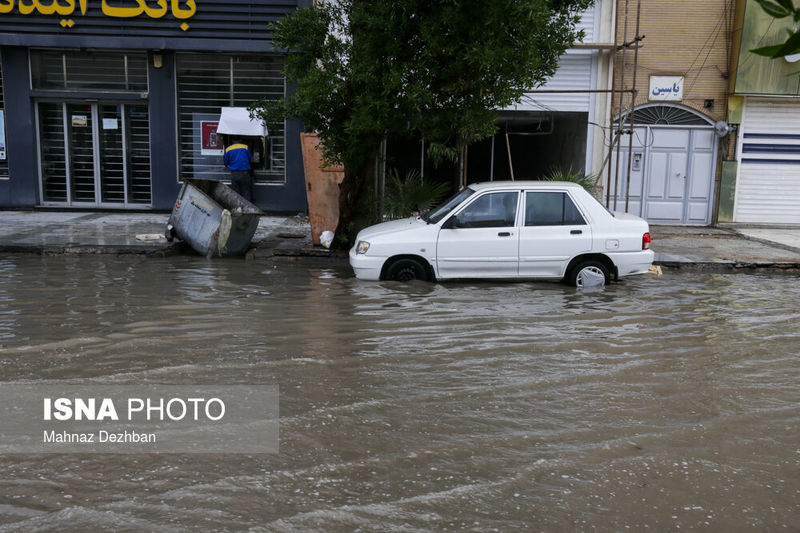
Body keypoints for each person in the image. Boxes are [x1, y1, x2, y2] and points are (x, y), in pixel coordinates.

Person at [223, 137, 253, 202]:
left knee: (236, 194)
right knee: (246, 193)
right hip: (245, 173)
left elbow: (226, 162)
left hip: (234, 174)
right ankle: (248, 210)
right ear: (240, 140)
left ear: (232, 140)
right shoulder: (245, 147)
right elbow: (250, 159)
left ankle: (238, 209)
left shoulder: (228, 149)